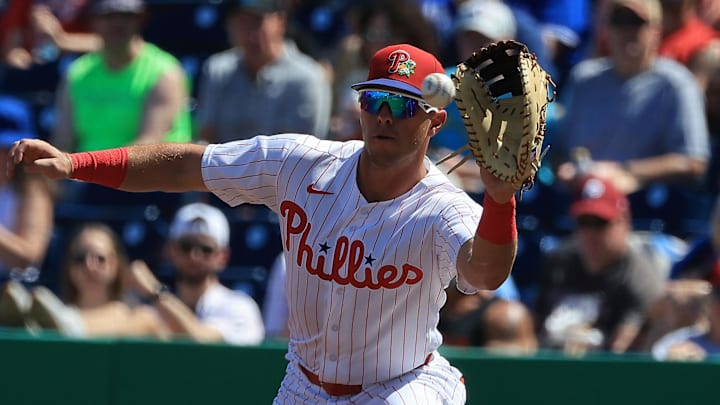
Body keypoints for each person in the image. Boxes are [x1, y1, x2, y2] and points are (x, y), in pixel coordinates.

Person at [8, 42, 522, 403]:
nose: (383, 115)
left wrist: (500, 201)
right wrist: (77, 163)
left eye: (401, 104)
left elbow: (485, 273)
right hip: (304, 384)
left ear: (434, 119)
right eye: (374, 99)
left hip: (403, 385)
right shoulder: (301, 163)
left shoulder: (444, 207)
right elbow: (189, 165)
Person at [552, 0, 710, 195]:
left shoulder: (676, 83)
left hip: (648, 210)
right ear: (606, 30)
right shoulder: (584, 78)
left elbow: (694, 162)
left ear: (656, 30)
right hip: (582, 206)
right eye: (619, 22)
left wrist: (624, 171)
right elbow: (559, 152)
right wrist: (567, 170)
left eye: (637, 22)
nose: (628, 32)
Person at [533, 175, 666, 354]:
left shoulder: (639, 277)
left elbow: (622, 350)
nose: (590, 234)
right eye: (583, 223)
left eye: (600, 223)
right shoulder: (558, 262)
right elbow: (536, 326)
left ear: (624, 222)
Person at [51, 0, 192, 153]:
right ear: (93, 21)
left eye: (127, 15)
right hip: (87, 173)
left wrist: (91, 169)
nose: (117, 23)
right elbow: (63, 140)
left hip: (151, 174)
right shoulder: (77, 73)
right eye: (108, 16)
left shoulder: (164, 72)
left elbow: (149, 143)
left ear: (140, 20)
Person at [127, 202, 265, 345]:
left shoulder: (240, 306)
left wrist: (155, 291)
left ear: (223, 257)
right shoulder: (152, 309)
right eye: (186, 246)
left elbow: (201, 343)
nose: (195, 256)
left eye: (206, 249)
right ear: (170, 250)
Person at [195, 0, 331, 143]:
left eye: (257, 22)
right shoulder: (218, 70)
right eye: (242, 23)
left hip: (282, 165)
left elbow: (299, 151)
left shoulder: (306, 77)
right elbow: (207, 137)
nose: (250, 34)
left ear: (280, 21)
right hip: (222, 164)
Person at [0, 222, 167, 338]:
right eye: (80, 258)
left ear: (117, 265)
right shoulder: (47, 311)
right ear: (69, 267)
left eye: (100, 258)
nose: (89, 265)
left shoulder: (139, 318)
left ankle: (60, 330)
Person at [0, 96, 54, 281]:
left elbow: (27, 257)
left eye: (9, 149)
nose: (6, 156)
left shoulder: (33, 189)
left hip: (14, 292)